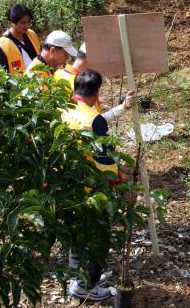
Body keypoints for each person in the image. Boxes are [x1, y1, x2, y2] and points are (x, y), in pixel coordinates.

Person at [61, 69, 134, 302]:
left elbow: (99, 120)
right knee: (97, 236)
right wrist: (121, 184)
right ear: (98, 92)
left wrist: (122, 108)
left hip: (69, 186)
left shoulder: (64, 111)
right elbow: (105, 160)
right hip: (92, 190)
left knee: (77, 235)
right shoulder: (93, 120)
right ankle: (87, 286)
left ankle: (77, 279)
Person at [0, 4, 41, 75]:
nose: (27, 25)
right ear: (11, 22)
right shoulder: (0, 47)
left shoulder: (32, 34)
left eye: (29, 22)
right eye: (23, 23)